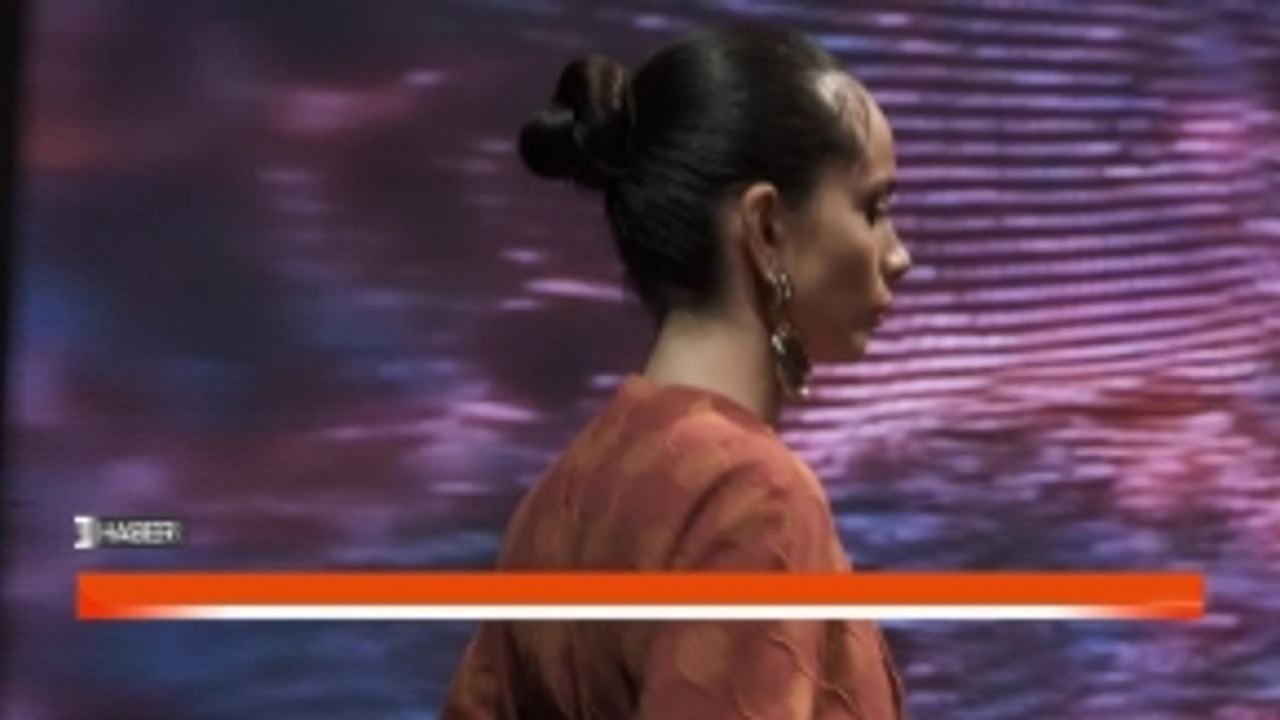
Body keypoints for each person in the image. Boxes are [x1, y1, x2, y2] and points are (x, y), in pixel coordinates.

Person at [444, 23, 912, 720]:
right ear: (766, 229)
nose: (898, 255)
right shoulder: (755, 498)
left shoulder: (557, 499)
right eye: (872, 209)